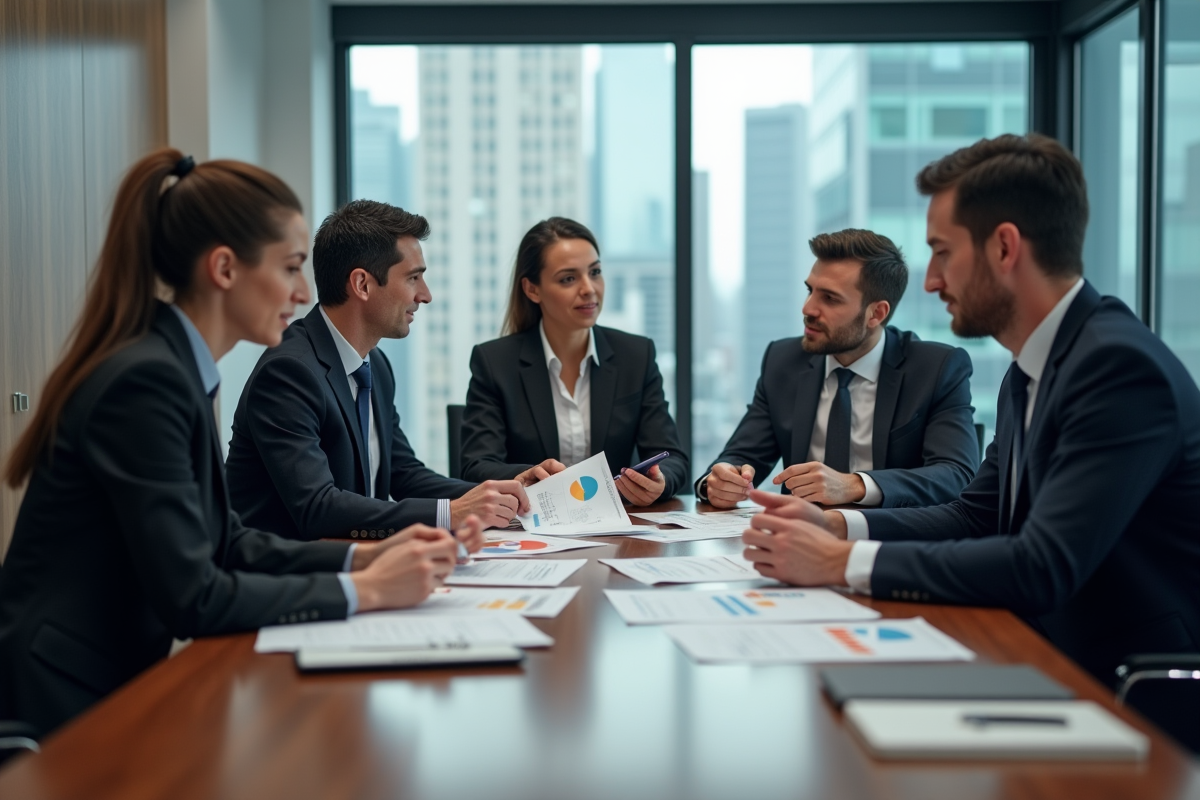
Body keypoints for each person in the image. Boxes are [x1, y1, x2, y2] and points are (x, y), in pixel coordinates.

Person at [0, 151, 482, 737]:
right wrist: (366, 589)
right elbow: (194, 596)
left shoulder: (173, 367)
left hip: (110, 674)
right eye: (289, 268)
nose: (304, 292)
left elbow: (226, 542)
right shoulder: (147, 381)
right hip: (63, 691)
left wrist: (370, 555)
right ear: (225, 269)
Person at [741, 134, 1200, 684]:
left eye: (942, 252)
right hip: (1036, 650)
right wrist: (835, 525)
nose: (932, 281)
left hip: (1126, 684)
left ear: (1004, 248)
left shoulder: (1117, 368)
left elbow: (1040, 566)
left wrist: (839, 562)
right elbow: (975, 516)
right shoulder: (1033, 366)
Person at [225, 200, 551, 540]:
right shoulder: (289, 372)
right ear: (362, 284)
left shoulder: (375, 365)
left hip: (358, 562)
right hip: (286, 579)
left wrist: (501, 490)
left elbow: (403, 473)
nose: (425, 295)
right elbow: (317, 507)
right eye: (413, 278)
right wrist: (451, 513)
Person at [698, 229, 979, 510]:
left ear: (876, 313)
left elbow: (955, 474)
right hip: (796, 540)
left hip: (887, 542)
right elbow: (742, 454)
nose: (808, 308)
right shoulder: (782, 360)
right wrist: (723, 479)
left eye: (830, 298)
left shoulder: (936, 369)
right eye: (810, 291)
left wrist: (854, 485)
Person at [460, 217, 690, 506]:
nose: (589, 289)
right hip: (533, 527)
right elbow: (475, 466)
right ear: (532, 289)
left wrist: (660, 481)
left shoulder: (636, 355)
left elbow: (673, 458)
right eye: (568, 278)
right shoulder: (495, 362)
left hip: (618, 530)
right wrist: (528, 475)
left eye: (595, 272)